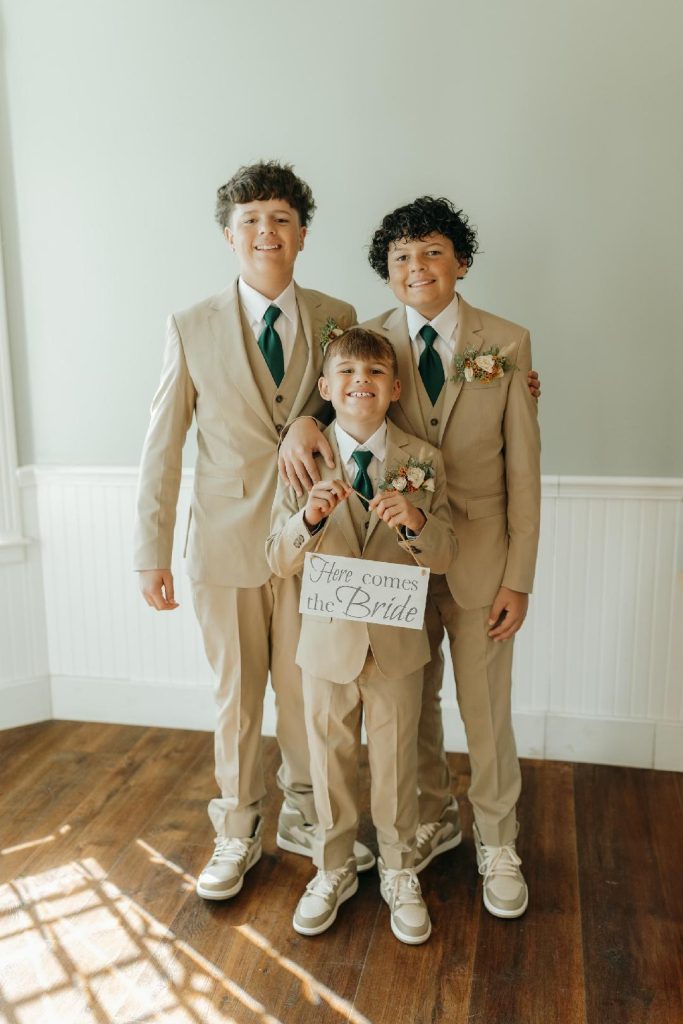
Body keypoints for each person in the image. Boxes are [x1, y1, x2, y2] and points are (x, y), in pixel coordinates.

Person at [279, 197, 541, 918]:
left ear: (460, 262)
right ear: (386, 271)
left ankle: (498, 842)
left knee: (485, 711)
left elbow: (524, 471)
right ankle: (428, 820)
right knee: (410, 708)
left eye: (431, 252)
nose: (416, 267)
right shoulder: (367, 340)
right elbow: (331, 404)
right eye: (400, 257)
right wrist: (299, 424)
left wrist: (518, 577)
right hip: (385, 573)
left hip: (476, 562)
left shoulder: (506, 343)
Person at [133, 160, 373, 902]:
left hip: (314, 541)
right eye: (251, 221)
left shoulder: (337, 314)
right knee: (237, 699)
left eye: (281, 219)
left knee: (311, 695)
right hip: (224, 543)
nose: (266, 232)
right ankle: (236, 829)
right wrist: (150, 550)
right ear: (229, 236)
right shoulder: (190, 325)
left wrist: (311, 417)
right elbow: (163, 444)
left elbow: (360, 397)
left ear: (302, 234)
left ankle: (307, 814)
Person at [267, 327, 456, 943]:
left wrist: (416, 522)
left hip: (397, 644)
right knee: (328, 761)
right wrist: (308, 518)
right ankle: (333, 868)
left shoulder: (424, 460)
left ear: (395, 388)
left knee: (397, 763)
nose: (361, 383)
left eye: (375, 373)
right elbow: (277, 557)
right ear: (325, 388)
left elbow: (446, 554)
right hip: (327, 643)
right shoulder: (302, 458)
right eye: (347, 373)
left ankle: (400, 871)